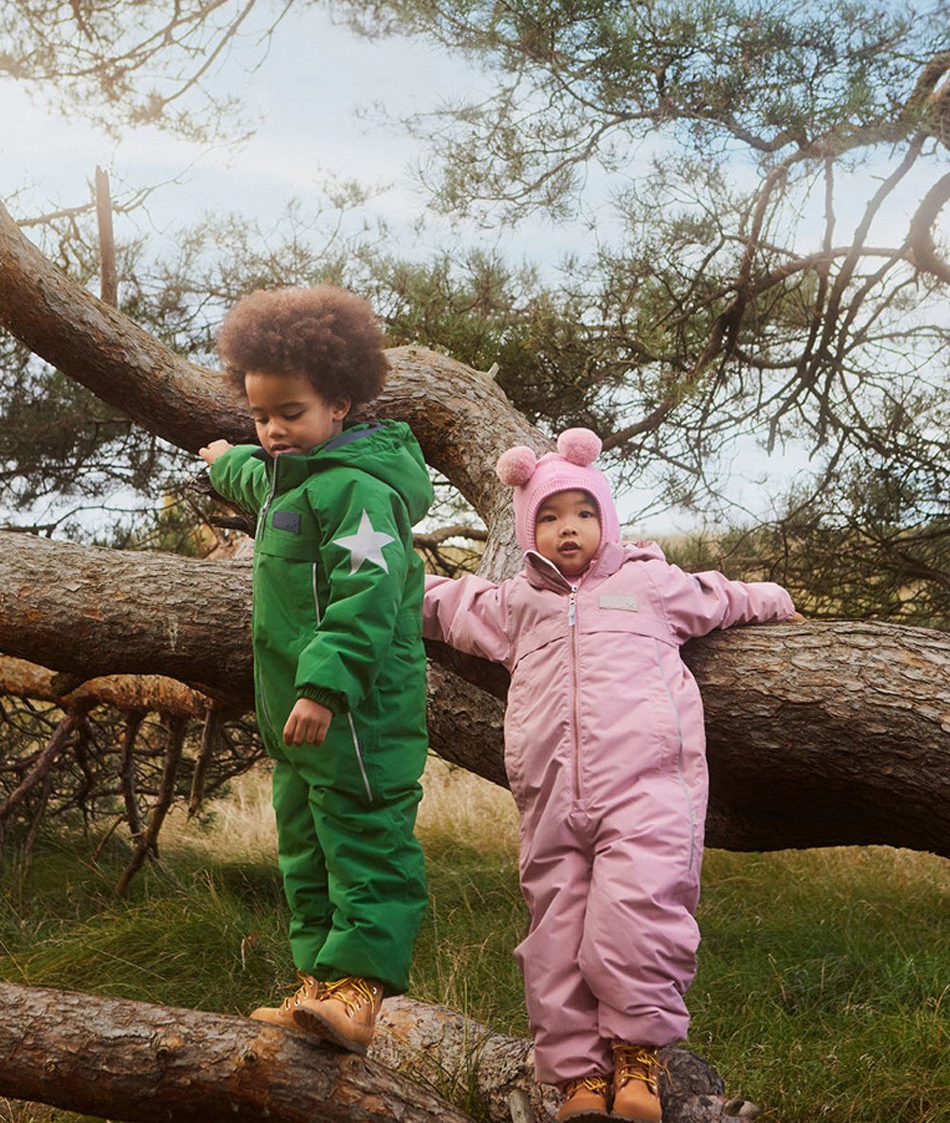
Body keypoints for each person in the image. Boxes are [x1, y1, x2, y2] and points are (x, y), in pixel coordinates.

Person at [422, 428, 799, 1122]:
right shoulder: (517, 602)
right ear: (529, 530)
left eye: (584, 513)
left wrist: (772, 596)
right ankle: (578, 1080)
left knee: (641, 915)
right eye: (551, 517)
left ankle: (636, 1061)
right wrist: (373, 584)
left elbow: (720, 596)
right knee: (555, 929)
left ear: (608, 519)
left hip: (648, 789)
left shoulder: (649, 583)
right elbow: (446, 604)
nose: (570, 529)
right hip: (549, 798)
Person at [199, 284, 433, 1056]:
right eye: (260, 417)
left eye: (289, 415)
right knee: (303, 844)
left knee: (364, 838)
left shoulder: (362, 489)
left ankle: (361, 987)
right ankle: (315, 983)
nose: (272, 432)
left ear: (339, 404)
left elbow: (368, 597)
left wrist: (325, 686)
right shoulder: (286, 472)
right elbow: (253, 476)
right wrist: (223, 459)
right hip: (295, 716)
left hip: (356, 710)